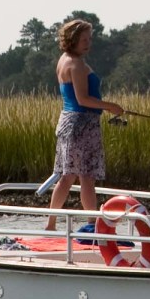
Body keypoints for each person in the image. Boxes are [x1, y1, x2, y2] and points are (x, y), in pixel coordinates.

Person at [50, 19, 124, 231]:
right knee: (85, 176)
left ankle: (52, 223)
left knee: (68, 175)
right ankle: (91, 222)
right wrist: (111, 106)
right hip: (82, 123)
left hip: (68, 121)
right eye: (84, 39)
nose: (88, 43)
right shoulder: (76, 64)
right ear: (72, 40)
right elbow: (83, 99)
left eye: (90, 39)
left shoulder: (64, 59)